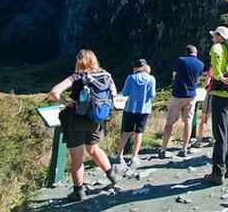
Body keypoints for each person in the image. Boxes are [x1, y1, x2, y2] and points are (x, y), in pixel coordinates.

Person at [50, 49, 118, 203]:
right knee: (94, 149)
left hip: (76, 118)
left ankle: (78, 191)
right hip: (96, 119)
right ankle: (113, 176)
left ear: (79, 61)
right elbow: (114, 93)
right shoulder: (106, 75)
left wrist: (66, 102)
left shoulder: (78, 76)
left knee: (77, 156)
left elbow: (54, 92)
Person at [204, 26, 228, 185]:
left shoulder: (218, 47)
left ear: (219, 36)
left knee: (220, 134)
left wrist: (218, 76)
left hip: (221, 95)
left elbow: (216, 59)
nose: (212, 38)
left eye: (214, 35)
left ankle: (218, 173)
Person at [159, 45, 204, 158]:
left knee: (169, 122)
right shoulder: (200, 64)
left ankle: (163, 148)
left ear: (186, 52)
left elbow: (174, 75)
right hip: (191, 95)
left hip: (178, 94)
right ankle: (184, 148)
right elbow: (197, 77)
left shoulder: (180, 60)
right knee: (188, 121)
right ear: (195, 52)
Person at [116, 59, 156, 166]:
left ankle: (119, 155)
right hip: (144, 109)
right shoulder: (151, 79)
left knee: (126, 132)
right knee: (139, 132)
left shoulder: (131, 78)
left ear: (136, 68)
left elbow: (125, 93)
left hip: (130, 108)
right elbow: (152, 95)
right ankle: (134, 157)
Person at [191, 66, 213, 148]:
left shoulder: (213, 69)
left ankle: (199, 140)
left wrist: (208, 89)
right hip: (223, 96)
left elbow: (207, 83)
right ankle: (215, 139)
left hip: (211, 94)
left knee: (204, 118)